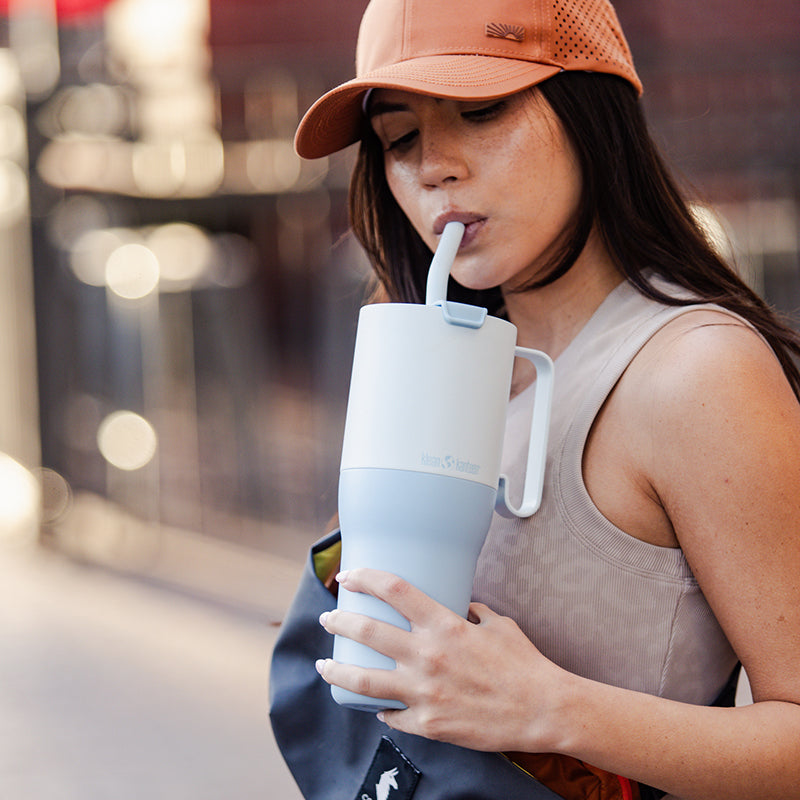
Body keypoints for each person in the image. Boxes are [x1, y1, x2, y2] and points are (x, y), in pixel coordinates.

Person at [289, 0, 800, 798]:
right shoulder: (441, 359)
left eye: (482, 110)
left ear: (591, 111)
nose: (435, 166)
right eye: (400, 137)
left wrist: (551, 709)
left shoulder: (695, 372)